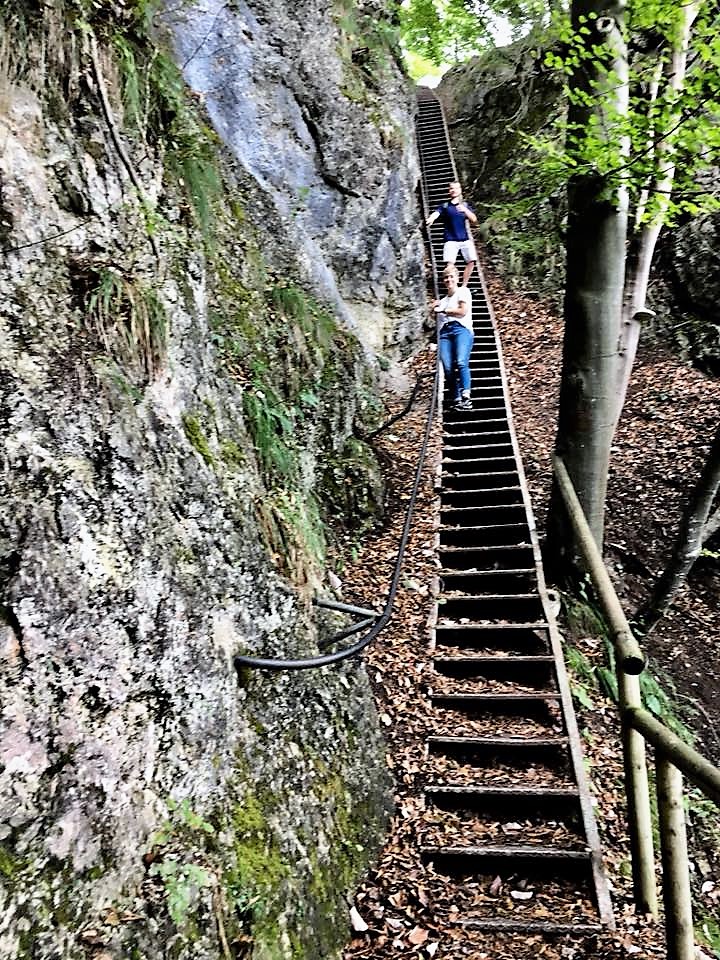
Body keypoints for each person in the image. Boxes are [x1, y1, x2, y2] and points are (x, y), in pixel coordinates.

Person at [432, 264, 473, 411]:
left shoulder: (463, 291)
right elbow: (436, 322)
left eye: (451, 277)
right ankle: (456, 398)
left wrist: (443, 310)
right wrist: (433, 308)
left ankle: (466, 397)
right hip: (445, 332)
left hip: (461, 328)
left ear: (457, 278)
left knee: (461, 361)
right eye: (446, 277)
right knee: (448, 367)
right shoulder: (442, 300)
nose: (448, 280)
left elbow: (462, 311)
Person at [425, 181, 478, 286]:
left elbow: (474, 220)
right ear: (449, 190)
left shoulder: (465, 205)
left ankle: (463, 286)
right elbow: (437, 212)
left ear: (460, 190)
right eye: (451, 188)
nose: (454, 190)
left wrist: (465, 210)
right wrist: (431, 218)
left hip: (464, 239)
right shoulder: (445, 206)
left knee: (472, 261)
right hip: (450, 240)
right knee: (450, 265)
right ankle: (452, 286)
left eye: (456, 188)